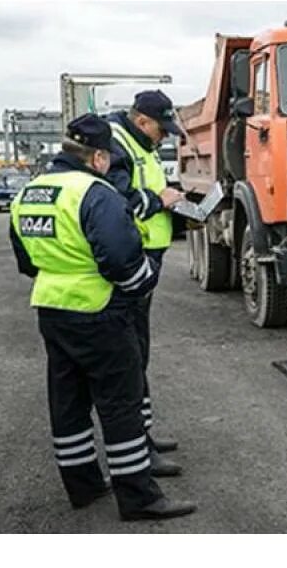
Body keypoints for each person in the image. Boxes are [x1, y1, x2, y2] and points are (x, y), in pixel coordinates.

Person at [9, 114, 196, 521]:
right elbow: (121, 259)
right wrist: (142, 284)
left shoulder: (30, 193)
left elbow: (26, 261)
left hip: (52, 310)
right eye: (107, 158)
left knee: (68, 402)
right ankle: (139, 497)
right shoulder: (96, 194)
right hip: (100, 312)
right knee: (120, 405)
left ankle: (84, 486)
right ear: (96, 157)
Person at [105, 90, 185, 477]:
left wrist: (181, 209)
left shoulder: (140, 143)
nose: (165, 137)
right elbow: (120, 200)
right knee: (131, 355)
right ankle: (137, 449)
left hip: (148, 256)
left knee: (140, 351)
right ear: (141, 121)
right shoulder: (116, 144)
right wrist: (161, 201)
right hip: (132, 261)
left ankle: (143, 435)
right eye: (161, 129)